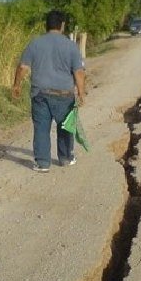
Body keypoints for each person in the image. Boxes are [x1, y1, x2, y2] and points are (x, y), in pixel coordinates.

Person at [12, 10, 86, 173]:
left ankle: (43, 163)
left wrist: (16, 86)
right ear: (62, 25)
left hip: (40, 94)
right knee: (65, 126)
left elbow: (23, 67)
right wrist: (81, 93)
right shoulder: (70, 45)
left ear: (47, 25)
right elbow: (78, 72)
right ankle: (66, 157)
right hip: (64, 95)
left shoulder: (35, 43)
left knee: (41, 128)